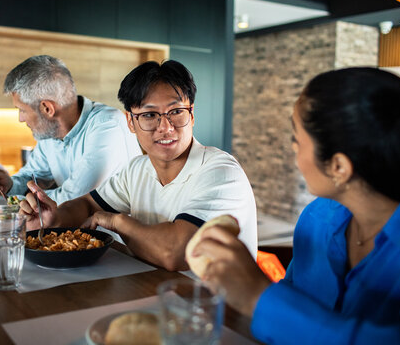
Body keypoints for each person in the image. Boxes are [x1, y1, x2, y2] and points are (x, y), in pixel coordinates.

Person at [190, 67, 400, 343]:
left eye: (297, 140)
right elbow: (294, 295)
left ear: (338, 166)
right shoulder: (318, 218)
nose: (293, 151)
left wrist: (257, 296)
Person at [20, 60, 257, 271]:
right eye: (149, 115)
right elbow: (87, 204)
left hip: (218, 312)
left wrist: (117, 221)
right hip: (156, 296)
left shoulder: (220, 172)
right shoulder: (137, 169)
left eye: (176, 111)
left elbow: (174, 253)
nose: (165, 127)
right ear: (130, 122)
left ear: (192, 115)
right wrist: (54, 220)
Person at [0, 55, 141, 204]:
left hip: (119, 233)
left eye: (22, 110)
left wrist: (15, 199)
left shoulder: (107, 125)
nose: (20, 119)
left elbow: (74, 197)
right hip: (78, 230)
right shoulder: (50, 134)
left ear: (47, 109)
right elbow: (34, 176)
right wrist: (10, 185)